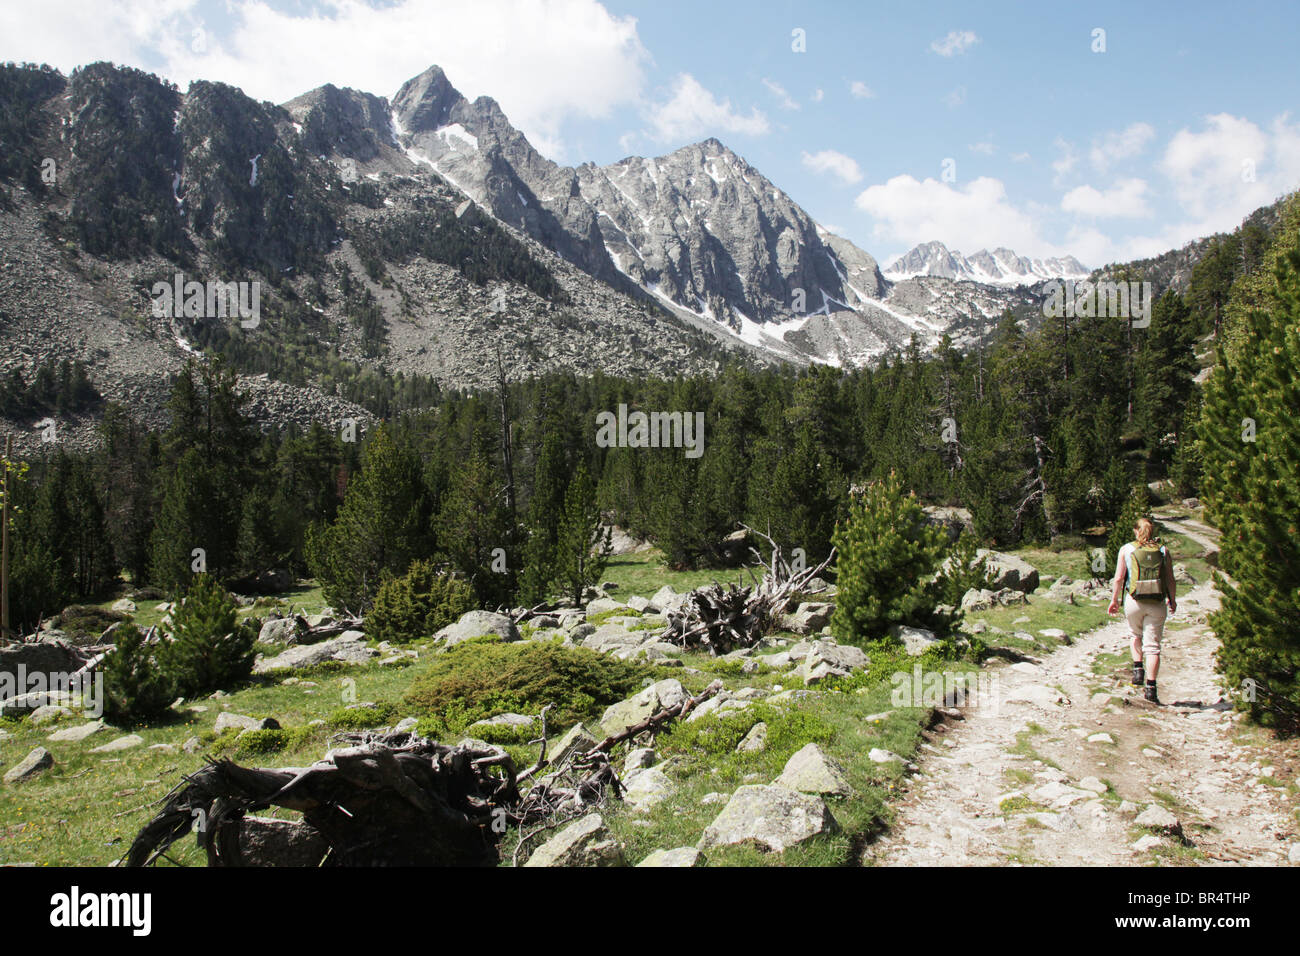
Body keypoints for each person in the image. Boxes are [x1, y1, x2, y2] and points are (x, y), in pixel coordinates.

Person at [1107, 517, 1177, 703]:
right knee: (1153, 647)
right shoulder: (1163, 550)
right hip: (1157, 602)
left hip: (1133, 601)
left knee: (1135, 635)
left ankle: (1138, 669)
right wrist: (1173, 599)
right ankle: (1151, 688)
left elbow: (1119, 579)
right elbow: (1170, 578)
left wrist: (1115, 600)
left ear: (1136, 531)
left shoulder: (1126, 549)